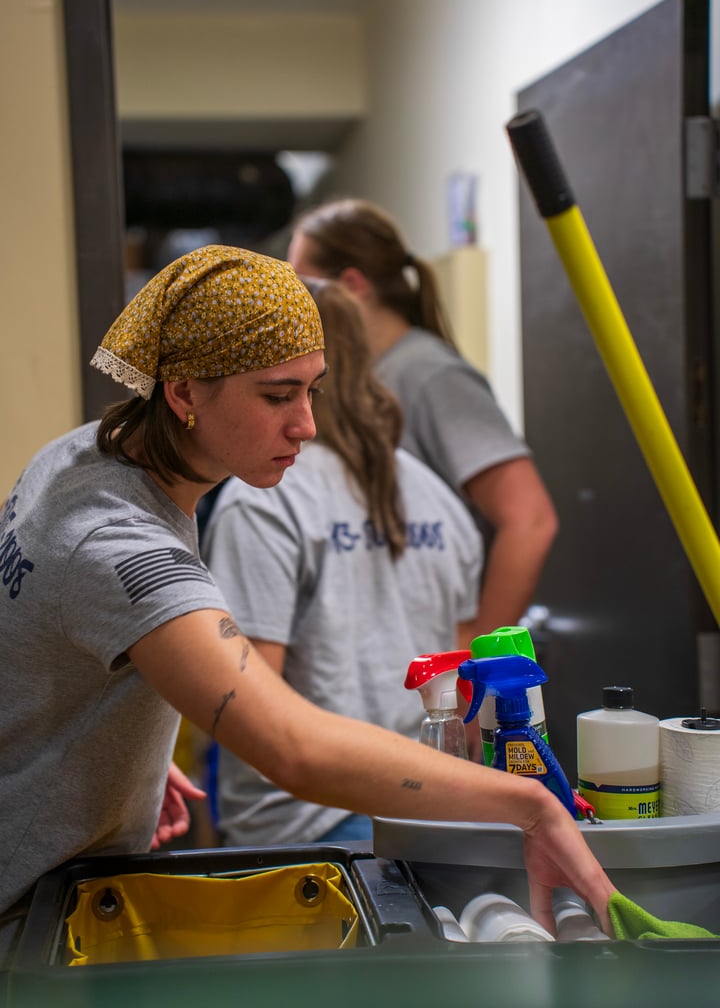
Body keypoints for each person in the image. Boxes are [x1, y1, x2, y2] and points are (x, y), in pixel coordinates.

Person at [0, 245, 614, 966]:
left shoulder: (77, 457)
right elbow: (290, 747)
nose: (307, 425)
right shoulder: (118, 542)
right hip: (27, 926)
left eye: (313, 391)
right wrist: (529, 806)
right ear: (183, 392)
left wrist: (118, 740)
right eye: (276, 396)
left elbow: (37, 628)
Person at [201, 277, 483, 846]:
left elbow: (248, 706)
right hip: (428, 807)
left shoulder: (265, 497)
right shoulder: (434, 494)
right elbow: (462, 684)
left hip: (305, 824)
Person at [287, 198, 559, 637]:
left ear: (352, 284)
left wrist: (477, 651)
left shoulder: (431, 375)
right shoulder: (360, 378)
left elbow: (530, 520)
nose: (295, 300)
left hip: (440, 645)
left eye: (303, 283)